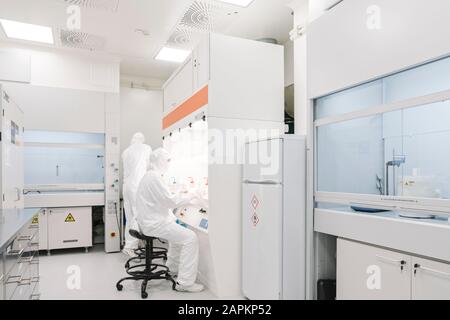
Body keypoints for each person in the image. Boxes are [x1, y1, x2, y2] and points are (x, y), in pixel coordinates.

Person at [135, 148, 205, 293]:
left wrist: (181, 192)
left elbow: (163, 197)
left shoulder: (151, 176)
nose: (168, 163)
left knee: (176, 235)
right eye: (167, 160)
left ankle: (172, 268)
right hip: (154, 223)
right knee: (190, 238)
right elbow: (170, 201)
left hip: (149, 221)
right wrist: (191, 195)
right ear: (159, 161)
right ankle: (185, 283)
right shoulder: (154, 177)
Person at [122, 133, 152, 256]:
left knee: (129, 216)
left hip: (126, 186)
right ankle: (132, 246)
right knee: (137, 215)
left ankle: (131, 244)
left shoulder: (125, 151)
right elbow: (151, 165)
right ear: (142, 140)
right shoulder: (146, 148)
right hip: (137, 186)